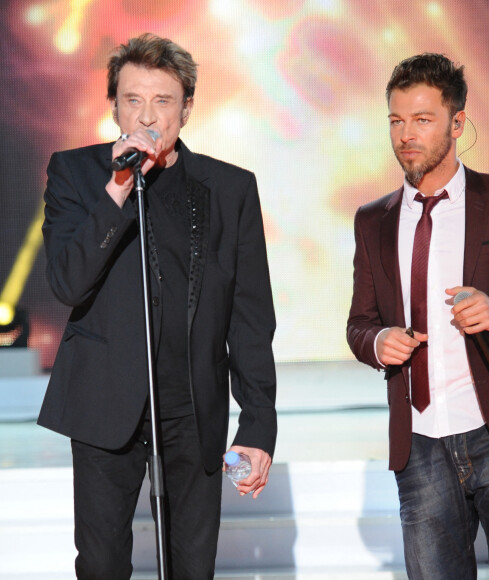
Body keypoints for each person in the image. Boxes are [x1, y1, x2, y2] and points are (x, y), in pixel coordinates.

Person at [38, 33, 277, 579]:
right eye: (133, 100)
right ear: (115, 105)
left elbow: (250, 316)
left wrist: (258, 424)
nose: (147, 115)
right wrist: (117, 189)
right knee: (100, 564)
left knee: (191, 566)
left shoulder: (230, 188)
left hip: (190, 406)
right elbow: (68, 283)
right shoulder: (76, 175)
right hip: (104, 400)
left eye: (163, 101)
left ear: (187, 108)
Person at [347, 53, 489, 579]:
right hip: (420, 441)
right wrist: (378, 340)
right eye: (396, 121)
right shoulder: (371, 221)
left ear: (456, 123)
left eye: (422, 120)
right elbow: (359, 324)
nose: (406, 135)